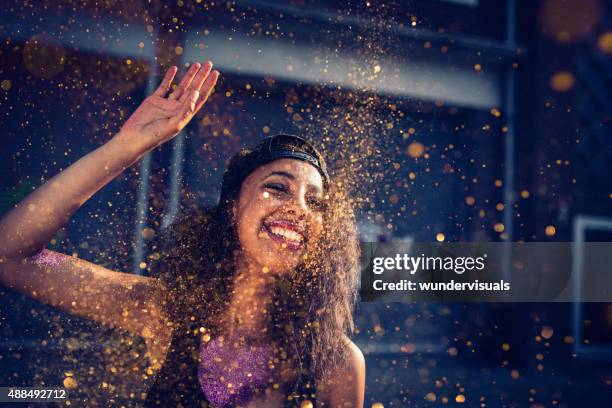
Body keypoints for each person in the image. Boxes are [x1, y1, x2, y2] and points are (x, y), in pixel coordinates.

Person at [0, 60, 365, 407]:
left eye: (315, 203)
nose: (300, 209)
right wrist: (126, 147)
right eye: (278, 187)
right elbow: (11, 255)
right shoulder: (164, 312)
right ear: (233, 208)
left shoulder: (337, 362)